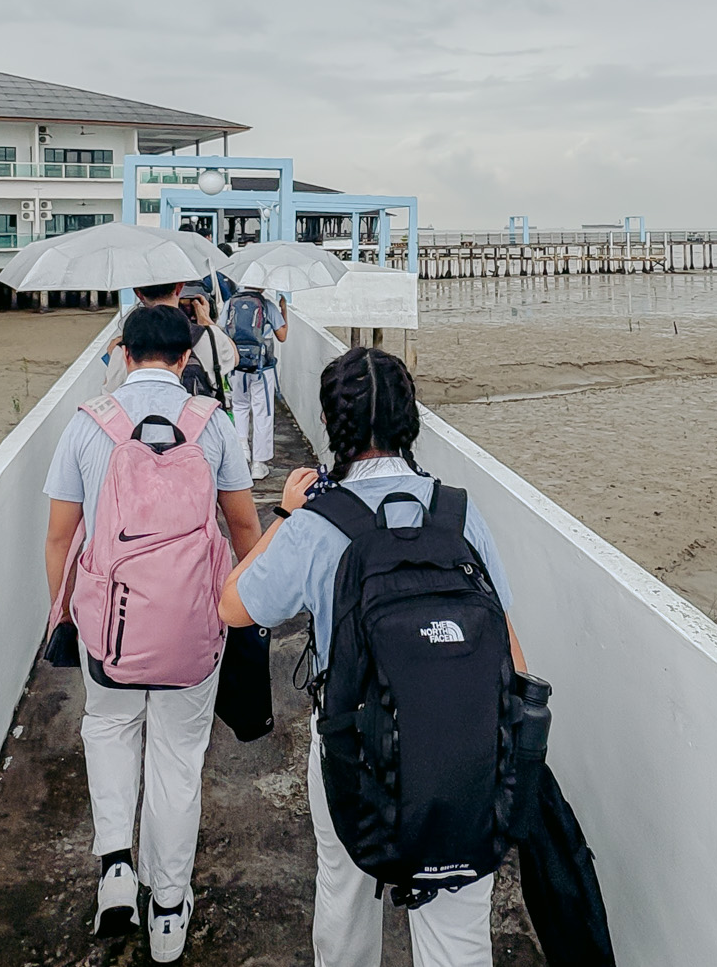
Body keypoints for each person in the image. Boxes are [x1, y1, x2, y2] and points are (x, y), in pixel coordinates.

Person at [219, 347, 525, 967]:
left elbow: (232, 605)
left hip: (354, 748)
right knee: (458, 930)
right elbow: (511, 654)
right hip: (464, 747)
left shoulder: (316, 524)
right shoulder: (458, 513)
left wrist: (285, 514)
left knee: (346, 893)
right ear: (410, 419)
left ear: (332, 425)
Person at [45, 303, 262, 961]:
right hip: (192, 627)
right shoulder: (212, 422)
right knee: (177, 758)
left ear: (122, 351)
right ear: (186, 358)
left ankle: (116, 864)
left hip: (108, 625)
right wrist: (247, 608)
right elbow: (244, 526)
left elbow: (60, 537)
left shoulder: (89, 423)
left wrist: (67, 614)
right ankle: (169, 908)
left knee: (109, 728)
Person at [223, 283, 287, 479]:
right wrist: (284, 310)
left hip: (237, 365)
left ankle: (242, 452)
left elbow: (221, 330)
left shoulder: (230, 303)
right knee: (262, 411)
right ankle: (259, 464)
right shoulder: (267, 305)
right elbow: (282, 336)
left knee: (239, 406)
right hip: (261, 367)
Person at [100, 279, 184, 395]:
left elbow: (109, 394)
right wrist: (208, 325)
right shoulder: (202, 335)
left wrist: (115, 356)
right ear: (180, 287)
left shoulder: (126, 343)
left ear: (137, 293)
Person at [177, 283, 237, 402]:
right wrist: (206, 319)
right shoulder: (212, 336)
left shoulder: (162, 332)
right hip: (204, 406)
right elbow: (235, 358)